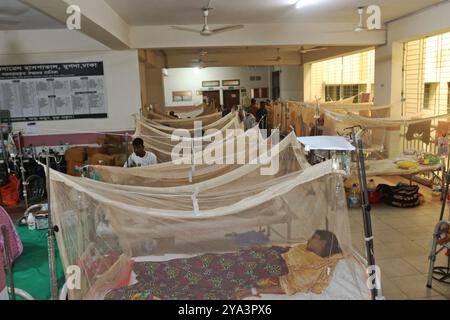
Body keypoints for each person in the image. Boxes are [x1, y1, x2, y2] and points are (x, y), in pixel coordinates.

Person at [235, 230, 342, 298]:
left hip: (269, 269)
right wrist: (263, 249)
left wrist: (251, 291)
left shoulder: (315, 268)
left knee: (233, 270)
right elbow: (286, 250)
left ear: (322, 243)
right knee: (235, 259)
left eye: (314, 237)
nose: (309, 239)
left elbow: (288, 287)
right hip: (266, 258)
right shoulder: (304, 249)